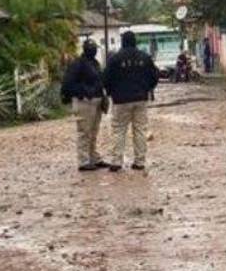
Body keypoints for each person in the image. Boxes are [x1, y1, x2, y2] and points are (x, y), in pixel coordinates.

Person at [104, 30, 159, 172]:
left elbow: (106, 78)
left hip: (120, 100)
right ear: (135, 41)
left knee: (118, 130)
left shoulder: (115, 59)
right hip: (140, 98)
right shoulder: (145, 57)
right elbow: (154, 76)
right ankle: (140, 162)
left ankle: (116, 162)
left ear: (123, 42)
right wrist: (147, 88)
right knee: (140, 129)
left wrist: (111, 93)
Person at [62, 39, 110, 172]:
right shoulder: (77, 64)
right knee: (84, 132)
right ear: (85, 49)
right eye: (91, 47)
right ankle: (83, 161)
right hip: (84, 102)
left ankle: (93, 157)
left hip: (96, 101)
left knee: (93, 132)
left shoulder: (95, 63)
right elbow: (67, 84)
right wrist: (85, 92)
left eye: (94, 48)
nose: (93, 50)